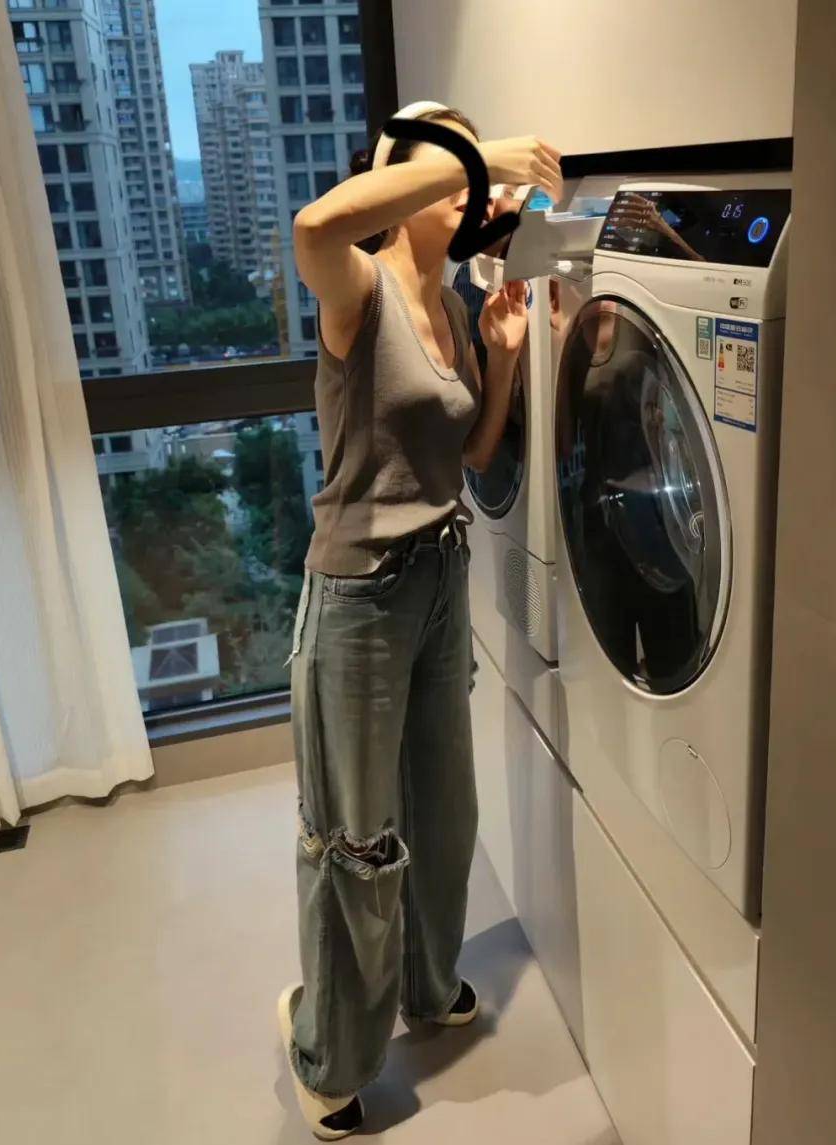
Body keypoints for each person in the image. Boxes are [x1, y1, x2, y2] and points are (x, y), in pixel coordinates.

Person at [277, 101, 562, 1140]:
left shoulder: (451, 302)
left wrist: (505, 351)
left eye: (467, 161)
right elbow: (314, 223)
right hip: (358, 595)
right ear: (399, 182)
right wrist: (476, 156)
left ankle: (427, 987)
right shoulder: (358, 286)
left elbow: (474, 458)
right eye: (439, 160)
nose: (465, 182)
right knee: (357, 836)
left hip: (442, 579)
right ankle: (327, 1052)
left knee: (444, 813)